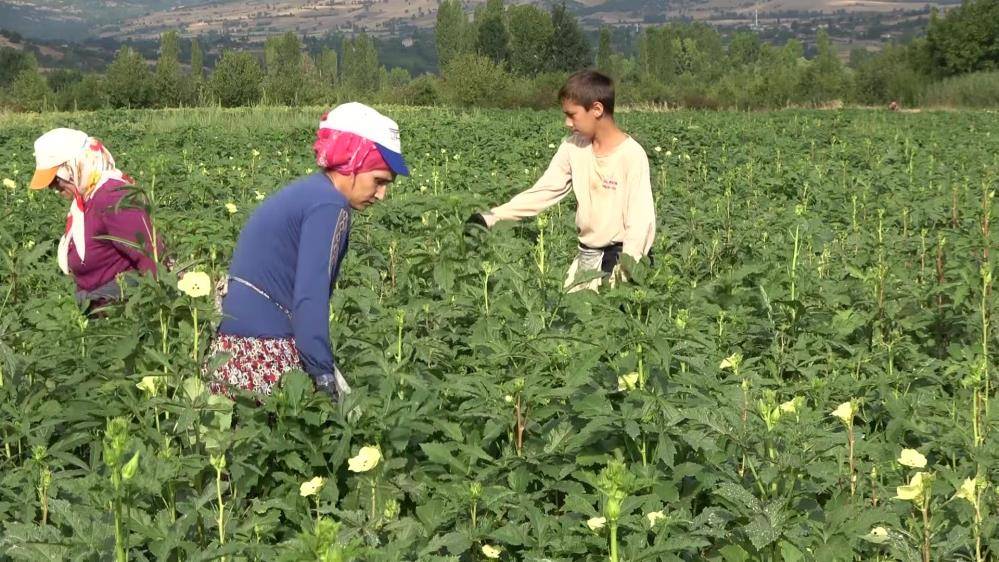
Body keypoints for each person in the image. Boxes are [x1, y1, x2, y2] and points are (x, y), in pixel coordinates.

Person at [206, 103, 408, 400]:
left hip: (231, 353)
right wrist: (323, 376)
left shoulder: (309, 191)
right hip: (265, 354)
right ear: (352, 162)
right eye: (378, 181)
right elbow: (310, 297)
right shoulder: (329, 205)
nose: (381, 194)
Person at [467, 70, 656, 292]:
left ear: (596, 109)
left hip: (620, 258)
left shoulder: (631, 155)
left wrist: (626, 273)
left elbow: (640, 221)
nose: (567, 122)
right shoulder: (573, 147)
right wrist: (490, 218)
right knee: (568, 318)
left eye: (572, 114)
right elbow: (544, 191)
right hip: (587, 256)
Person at [28, 128, 163, 309]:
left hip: (119, 310)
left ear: (74, 167)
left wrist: (159, 311)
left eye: (55, 180)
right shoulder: (89, 195)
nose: (52, 188)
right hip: (95, 302)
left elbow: (150, 255)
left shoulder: (111, 197)